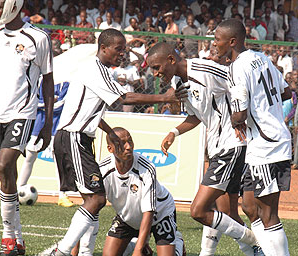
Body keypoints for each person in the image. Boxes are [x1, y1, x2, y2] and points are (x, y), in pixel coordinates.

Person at [50, 28, 186, 256]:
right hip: (74, 137)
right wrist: (164, 97)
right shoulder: (96, 70)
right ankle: (62, 251)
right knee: (96, 200)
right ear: (103, 48)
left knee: (91, 202)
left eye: (123, 49)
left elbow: (89, 112)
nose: (122, 54)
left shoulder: (96, 71)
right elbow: (124, 97)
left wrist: (109, 130)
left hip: (77, 137)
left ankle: (80, 253)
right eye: (118, 49)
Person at [146, 42, 264, 256]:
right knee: (226, 212)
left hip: (232, 145)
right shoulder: (176, 80)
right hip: (218, 148)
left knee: (199, 209)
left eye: (156, 67)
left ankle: (256, 241)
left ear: (171, 60)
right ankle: (254, 251)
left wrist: (241, 119)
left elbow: (240, 82)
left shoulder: (203, 69)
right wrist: (174, 132)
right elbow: (197, 116)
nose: (155, 73)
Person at [213, 18, 292, 256]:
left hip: (267, 146)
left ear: (232, 41)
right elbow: (287, 92)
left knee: (268, 214)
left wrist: (235, 121)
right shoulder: (263, 58)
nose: (215, 44)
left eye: (218, 40)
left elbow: (239, 114)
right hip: (264, 142)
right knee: (248, 206)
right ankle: (261, 251)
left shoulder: (237, 67)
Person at [0, 0, 54, 254]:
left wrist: (48, 122)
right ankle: (18, 239)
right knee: (6, 175)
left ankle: (8, 238)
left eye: (0, 5)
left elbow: (48, 80)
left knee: (4, 165)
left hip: (22, 113)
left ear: (14, 5)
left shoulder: (38, 38)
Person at [101, 127, 185, 256]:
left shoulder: (147, 167)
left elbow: (149, 211)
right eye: (122, 143)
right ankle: (135, 242)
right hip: (128, 218)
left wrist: (138, 250)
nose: (128, 146)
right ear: (110, 149)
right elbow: (91, 207)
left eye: (130, 141)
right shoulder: (103, 170)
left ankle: (177, 243)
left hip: (160, 214)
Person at [17, 80, 73, 208]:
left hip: (56, 127)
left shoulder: (66, 82)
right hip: (38, 126)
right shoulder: (41, 79)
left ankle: (62, 195)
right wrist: (49, 102)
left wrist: (45, 103)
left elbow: (60, 105)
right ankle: (19, 191)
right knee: (30, 158)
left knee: (59, 161)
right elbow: (33, 101)